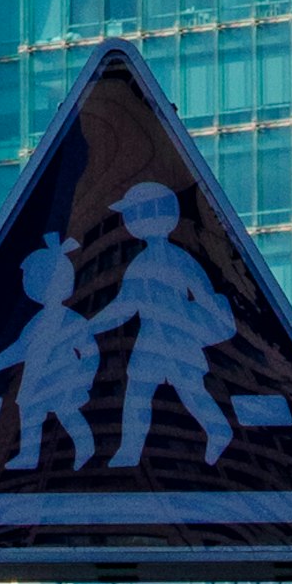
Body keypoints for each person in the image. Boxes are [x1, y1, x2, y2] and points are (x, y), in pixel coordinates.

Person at [102, 183, 238, 471]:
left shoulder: (173, 259)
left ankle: (218, 430)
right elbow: (125, 306)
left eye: (132, 214)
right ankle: (130, 450)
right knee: (139, 393)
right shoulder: (144, 262)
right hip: (154, 340)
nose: (129, 222)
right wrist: (90, 326)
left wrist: (221, 319)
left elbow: (202, 292)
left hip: (174, 338)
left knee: (189, 390)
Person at [0, 235, 102, 475]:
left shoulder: (72, 320)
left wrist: (86, 378)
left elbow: (90, 352)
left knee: (68, 414)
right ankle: (28, 456)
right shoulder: (36, 322)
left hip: (63, 379)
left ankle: (87, 447)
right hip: (36, 381)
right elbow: (20, 348)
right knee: (30, 415)